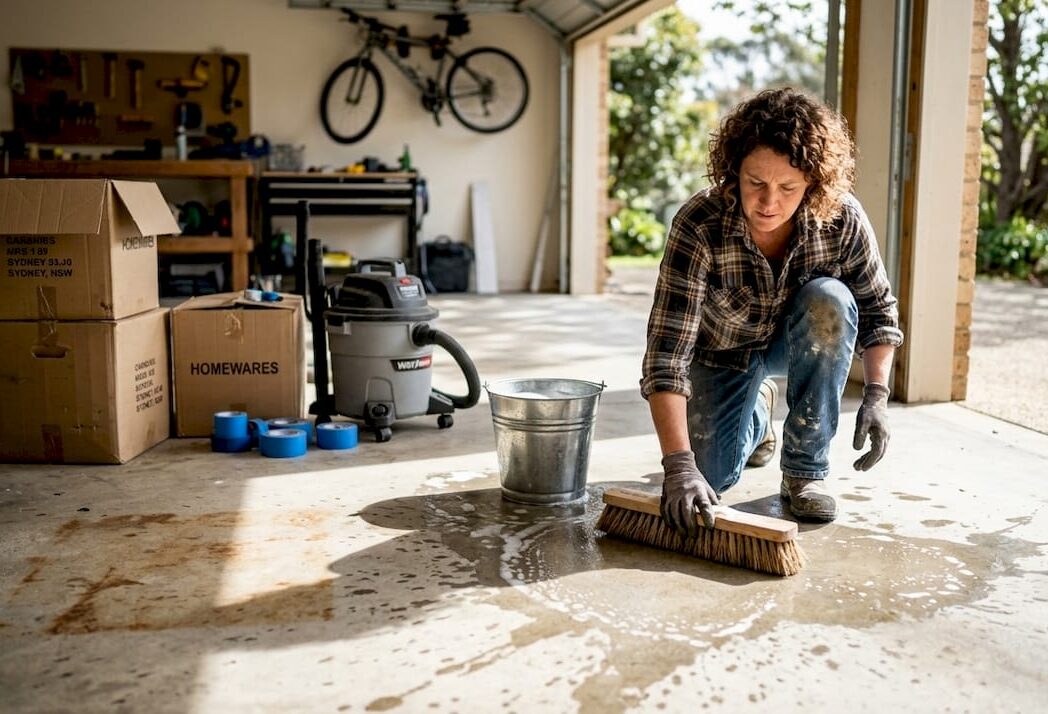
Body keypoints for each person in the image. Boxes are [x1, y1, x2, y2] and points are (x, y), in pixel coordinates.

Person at [640, 87, 904, 534]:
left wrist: (876, 395)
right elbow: (667, 355)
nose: (768, 203)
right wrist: (679, 465)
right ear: (733, 173)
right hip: (722, 352)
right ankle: (759, 413)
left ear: (813, 184)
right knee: (710, 479)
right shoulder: (699, 224)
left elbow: (879, 312)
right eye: (755, 183)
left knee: (831, 299)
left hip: (797, 343)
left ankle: (804, 474)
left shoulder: (843, 219)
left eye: (788, 188)